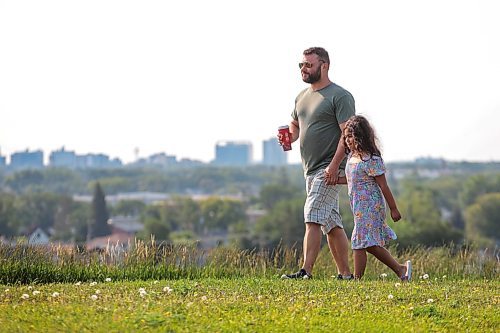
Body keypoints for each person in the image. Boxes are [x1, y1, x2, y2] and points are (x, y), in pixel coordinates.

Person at [280, 47, 354, 280]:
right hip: (309, 169)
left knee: (312, 215)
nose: (304, 69)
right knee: (330, 223)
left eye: (308, 65)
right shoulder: (301, 96)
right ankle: (345, 274)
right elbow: (295, 126)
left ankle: (305, 271)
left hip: (329, 168)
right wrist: (288, 137)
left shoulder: (340, 96)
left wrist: (334, 167)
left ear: (325, 65)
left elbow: (347, 135)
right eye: (301, 65)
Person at [339, 115, 411, 280]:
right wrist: (337, 180)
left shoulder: (371, 159)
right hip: (358, 208)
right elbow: (353, 180)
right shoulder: (352, 158)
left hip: (371, 207)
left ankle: (356, 280)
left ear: (361, 136)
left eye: (351, 136)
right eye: (346, 136)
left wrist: (393, 209)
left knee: (358, 242)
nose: (348, 140)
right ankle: (401, 270)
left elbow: (383, 185)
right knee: (368, 244)